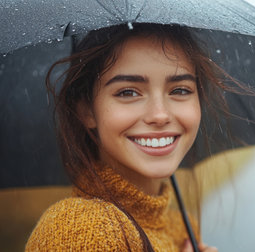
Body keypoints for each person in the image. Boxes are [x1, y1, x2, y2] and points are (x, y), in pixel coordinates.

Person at [25, 23, 224, 252]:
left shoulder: (182, 228)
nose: (160, 115)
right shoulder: (81, 229)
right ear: (87, 110)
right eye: (128, 92)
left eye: (180, 90)